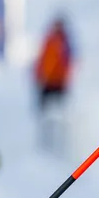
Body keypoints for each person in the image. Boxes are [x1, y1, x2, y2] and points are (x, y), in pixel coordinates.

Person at [33, 14, 75, 153]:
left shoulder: (64, 42)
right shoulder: (50, 40)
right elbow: (42, 60)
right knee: (45, 115)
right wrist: (38, 76)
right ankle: (45, 142)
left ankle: (59, 143)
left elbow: (68, 63)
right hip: (47, 83)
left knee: (58, 115)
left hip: (58, 84)